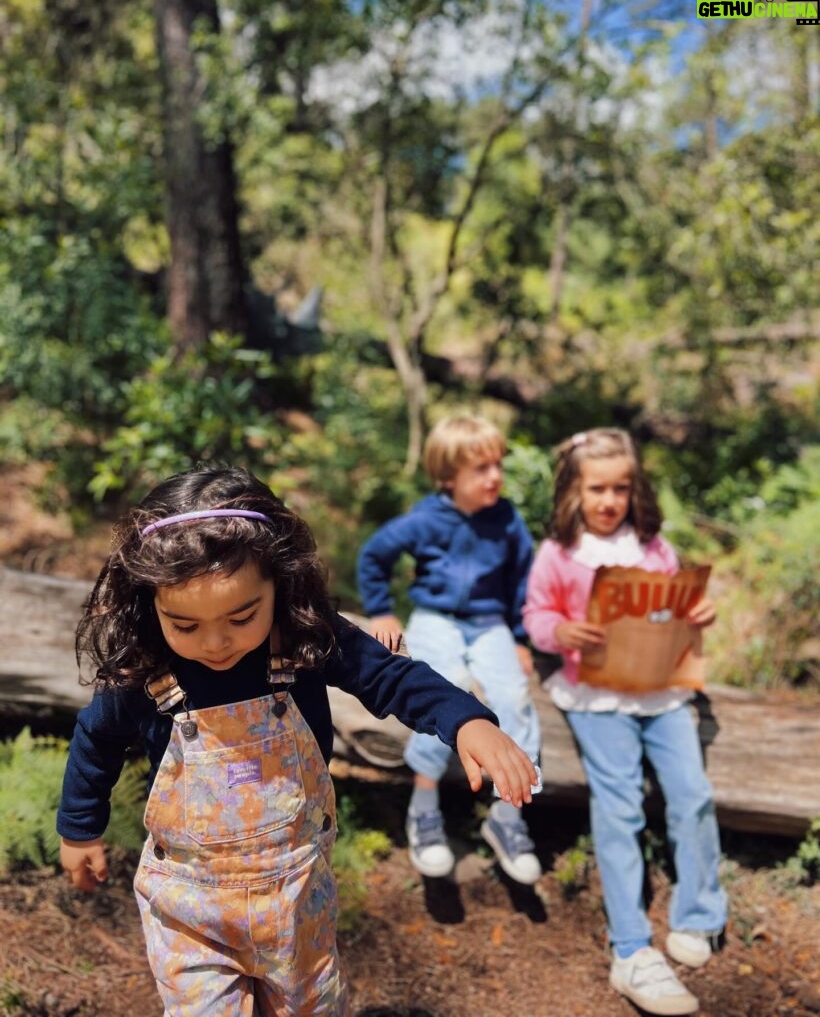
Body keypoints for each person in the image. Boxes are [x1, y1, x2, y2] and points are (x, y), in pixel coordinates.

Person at [57, 466, 539, 1017]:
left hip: (296, 900)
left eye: (242, 616)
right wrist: (79, 827)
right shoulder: (146, 671)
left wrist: (466, 720)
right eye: (184, 625)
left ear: (278, 584)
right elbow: (95, 740)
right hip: (189, 908)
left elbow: (392, 677)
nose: (214, 643)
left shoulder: (308, 639)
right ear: (151, 604)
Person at [523, 428, 727, 1017]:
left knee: (692, 795)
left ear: (635, 489)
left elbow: (674, 608)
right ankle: (630, 944)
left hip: (661, 691)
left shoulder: (654, 547)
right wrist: (560, 632)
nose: (609, 500)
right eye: (597, 489)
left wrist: (697, 613)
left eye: (620, 487)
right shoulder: (559, 554)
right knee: (620, 806)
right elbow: (536, 614)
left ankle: (700, 913)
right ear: (574, 492)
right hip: (595, 696)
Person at [357, 415, 542, 884]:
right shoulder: (425, 518)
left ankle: (509, 816)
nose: (495, 476)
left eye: (498, 465)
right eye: (481, 469)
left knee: (514, 697)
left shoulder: (507, 520)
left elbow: (523, 581)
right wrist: (380, 611)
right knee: (445, 690)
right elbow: (374, 556)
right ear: (448, 477)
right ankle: (424, 805)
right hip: (436, 619)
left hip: (489, 623)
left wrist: (520, 638)